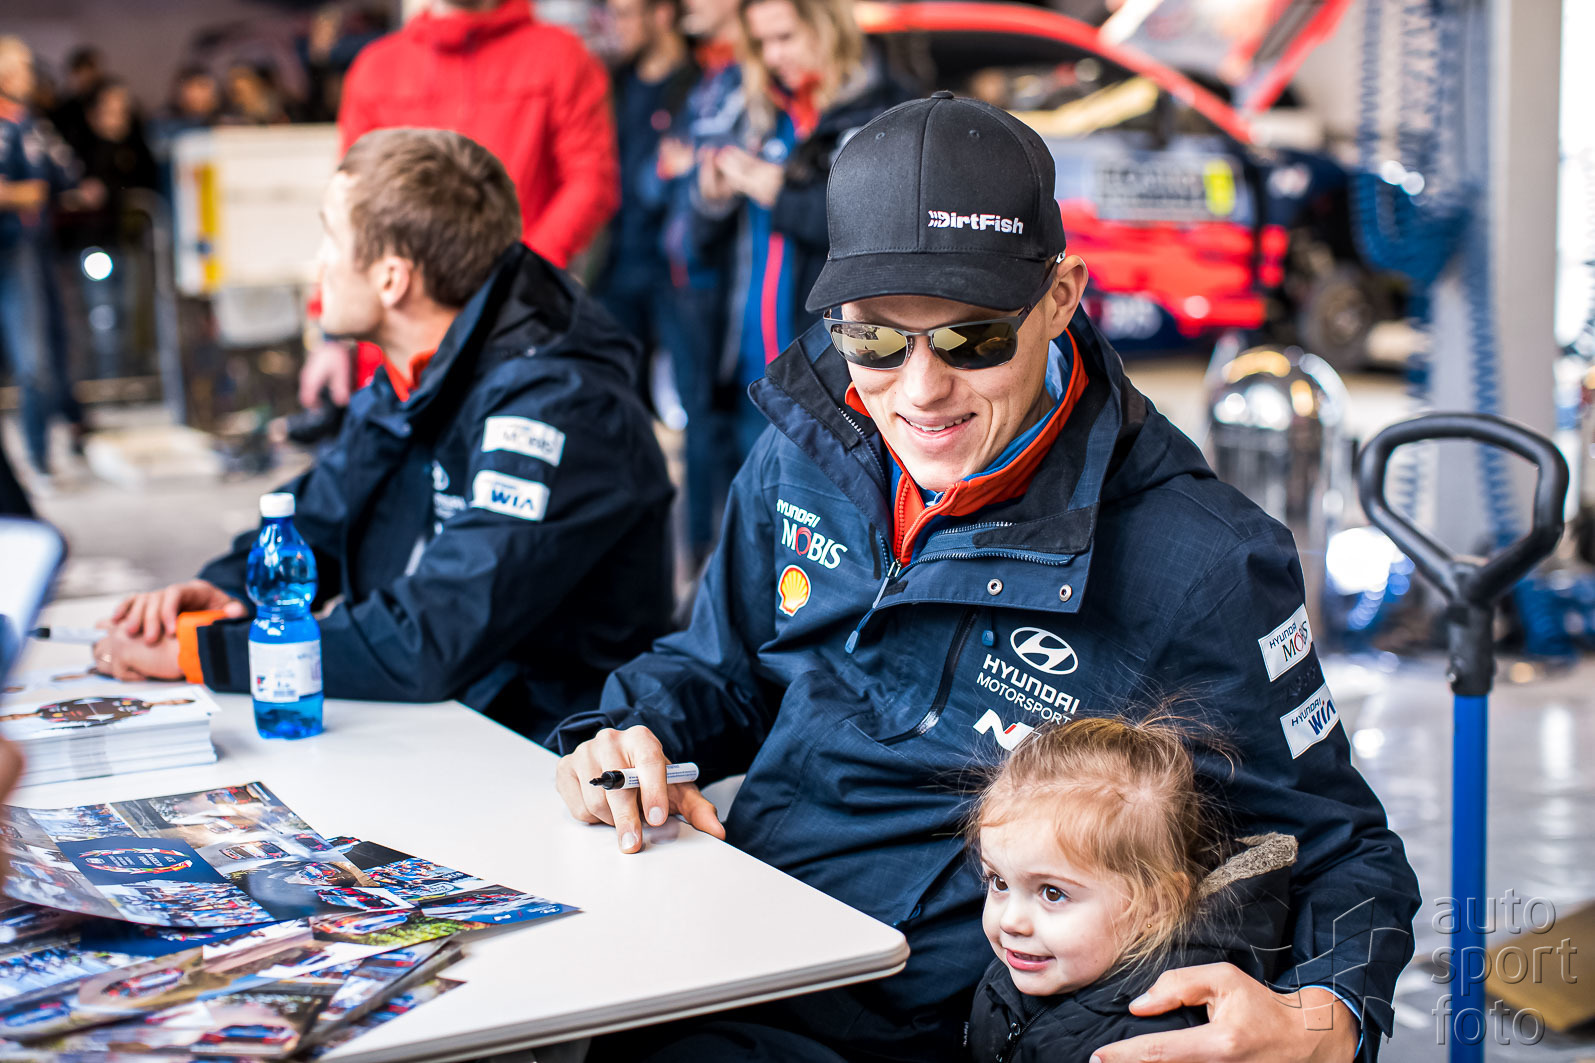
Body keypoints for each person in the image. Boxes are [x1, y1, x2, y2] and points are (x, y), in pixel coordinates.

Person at [553, 94, 1419, 1062]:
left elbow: (1344, 848)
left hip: (922, 1025)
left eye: (972, 340)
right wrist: (627, 736)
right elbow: (720, 668)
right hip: (729, 948)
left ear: (1059, 297)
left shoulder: (1200, 562)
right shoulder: (809, 442)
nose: (921, 391)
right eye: (874, 339)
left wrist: (1322, 1020)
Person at [92, 129, 674, 742]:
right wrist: (229, 588)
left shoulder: (559, 404)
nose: (317, 263)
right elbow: (324, 516)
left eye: (331, 239)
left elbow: (433, 634)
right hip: (444, 723)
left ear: (392, 279)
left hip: (545, 748)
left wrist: (209, 654)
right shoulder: (420, 367)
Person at [297, 0, 624, 446]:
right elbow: (350, 212)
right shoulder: (378, 69)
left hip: (514, 335)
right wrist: (331, 335)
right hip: (398, 351)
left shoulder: (561, 57)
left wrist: (513, 279)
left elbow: (591, 182)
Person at [966, 716, 1297, 1063]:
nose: (1010, 922)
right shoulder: (1027, 962)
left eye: (1052, 893)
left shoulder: (1164, 1036)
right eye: (999, 882)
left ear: (1154, 906)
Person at [693, 0, 911, 457]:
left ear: (827, 25)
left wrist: (782, 196)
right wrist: (712, 201)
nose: (773, 56)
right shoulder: (756, 108)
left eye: (785, 37)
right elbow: (699, 246)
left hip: (833, 372)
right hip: (746, 364)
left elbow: (885, 233)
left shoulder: (884, 110)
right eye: (761, 43)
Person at [0, 36, 91, 483]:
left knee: (49, 355)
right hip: (10, 250)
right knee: (32, 359)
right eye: (17, 65)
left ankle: (42, 456)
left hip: (35, 249)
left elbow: (71, 178)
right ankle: (34, 462)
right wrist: (22, 194)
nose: (27, 74)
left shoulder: (32, 123)